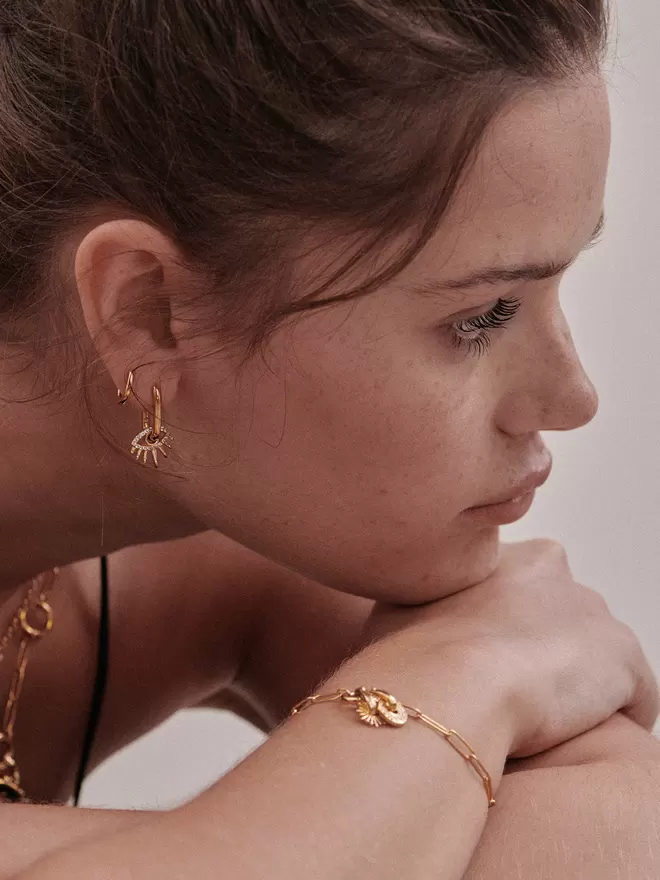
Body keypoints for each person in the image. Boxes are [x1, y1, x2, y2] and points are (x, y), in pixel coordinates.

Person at [0, 1, 659, 877]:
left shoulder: (231, 546)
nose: (574, 397)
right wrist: (463, 670)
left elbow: (616, 825)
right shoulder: (431, 617)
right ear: (149, 308)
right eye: (482, 315)